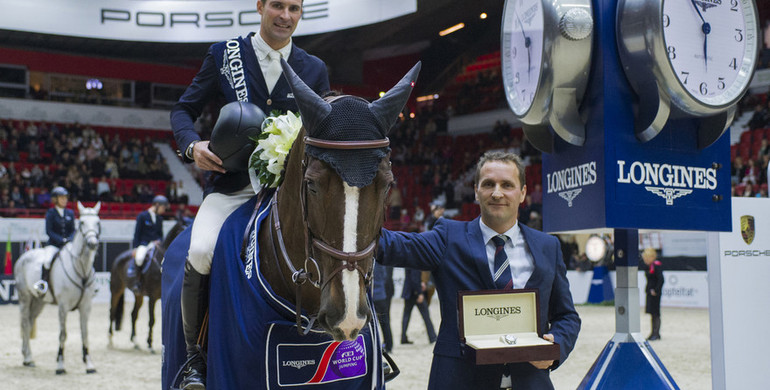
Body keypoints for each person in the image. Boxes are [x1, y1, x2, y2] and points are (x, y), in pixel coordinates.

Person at [170, 0, 330, 388]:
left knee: (343, 244)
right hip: (232, 188)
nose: (285, 16)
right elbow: (182, 111)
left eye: (294, 8)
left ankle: (361, 334)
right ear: (260, 6)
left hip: (292, 194)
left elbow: (325, 133)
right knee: (200, 251)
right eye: (277, 5)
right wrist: (193, 147)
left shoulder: (314, 69)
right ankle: (195, 358)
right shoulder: (225, 55)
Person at [377, 151, 580, 389]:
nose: (497, 193)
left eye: (507, 185)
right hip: (460, 381)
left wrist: (556, 346)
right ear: (476, 191)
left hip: (531, 382)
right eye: (488, 184)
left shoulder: (549, 246)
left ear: (523, 192)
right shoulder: (447, 237)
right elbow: (390, 246)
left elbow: (567, 316)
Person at [33, 186, 75, 294]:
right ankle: (43, 282)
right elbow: (49, 231)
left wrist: (69, 239)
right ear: (55, 199)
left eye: (65, 198)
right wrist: (61, 240)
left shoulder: (70, 213)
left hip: (68, 245)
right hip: (53, 245)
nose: (64, 200)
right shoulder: (50, 213)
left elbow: (73, 231)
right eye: (61, 198)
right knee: (47, 261)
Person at [127, 195, 169, 293]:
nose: (164, 210)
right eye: (163, 208)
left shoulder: (160, 219)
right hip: (144, 244)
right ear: (157, 205)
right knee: (140, 258)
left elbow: (160, 235)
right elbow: (137, 234)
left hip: (156, 245)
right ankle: (137, 282)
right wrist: (135, 248)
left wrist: (159, 241)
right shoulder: (142, 216)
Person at [400, 267, 437, 344]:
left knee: (406, 315)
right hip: (415, 293)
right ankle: (432, 337)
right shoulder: (414, 261)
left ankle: (403, 337)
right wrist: (419, 293)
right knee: (426, 315)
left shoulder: (408, 259)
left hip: (409, 292)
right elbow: (415, 278)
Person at [372, 262, 394, 353]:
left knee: (372, 323)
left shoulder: (370, 263)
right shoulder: (381, 264)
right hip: (381, 295)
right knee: (385, 322)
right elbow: (386, 277)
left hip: (372, 296)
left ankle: (374, 345)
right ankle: (389, 345)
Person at [643, 247, 664, 341]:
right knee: (652, 314)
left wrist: (656, 290)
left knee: (656, 313)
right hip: (650, 292)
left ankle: (656, 333)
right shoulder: (649, 266)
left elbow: (661, 279)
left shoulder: (656, 266)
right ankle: (653, 332)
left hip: (655, 293)